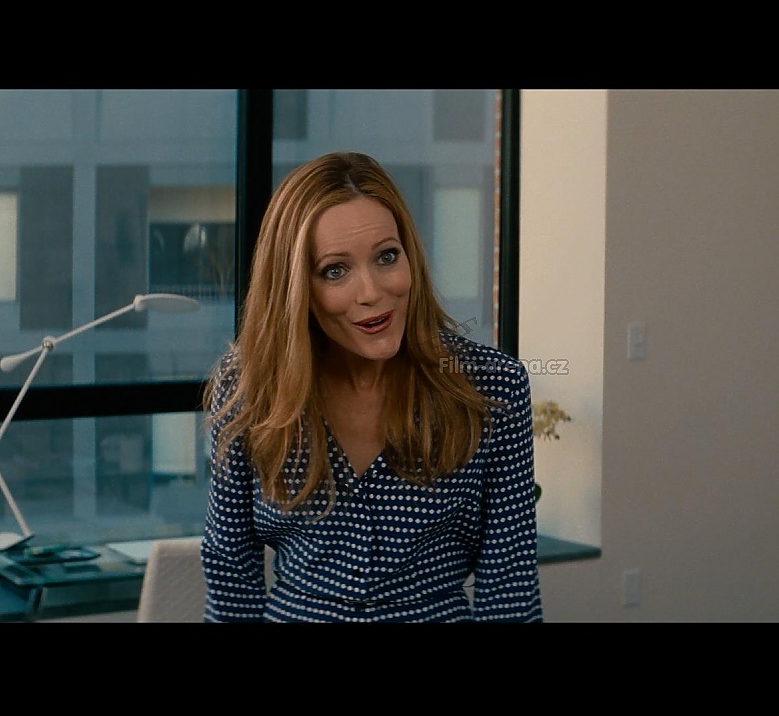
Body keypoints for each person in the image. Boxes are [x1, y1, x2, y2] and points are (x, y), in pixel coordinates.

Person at [200, 151, 543, 622]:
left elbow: (510, 584)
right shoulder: (249, 385)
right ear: (296, 288)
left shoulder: (492, 387)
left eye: (386, 257)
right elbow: (230, 571)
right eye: (335, 270)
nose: (372, 292)